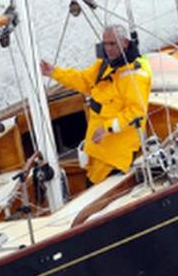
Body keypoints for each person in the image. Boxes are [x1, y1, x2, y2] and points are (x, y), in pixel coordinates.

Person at [39, 24, 152, 184]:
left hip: (116, 157)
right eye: (105, 44)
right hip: (97, 151)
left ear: (125, 43)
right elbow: (82, 79)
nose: (108, 48)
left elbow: (136, 111)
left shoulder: (135, 74)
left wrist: (107, 128)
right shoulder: (103, 66)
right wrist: (54, 72)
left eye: (112, 44)